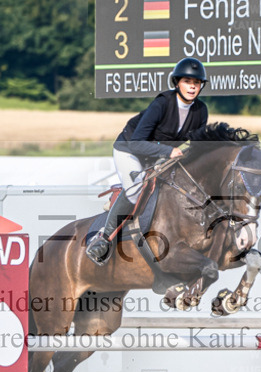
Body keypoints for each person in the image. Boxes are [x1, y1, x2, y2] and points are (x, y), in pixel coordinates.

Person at [85, 57, 210, 265]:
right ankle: (103, 239)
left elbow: (197, 145)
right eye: (188, 82)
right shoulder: (162, 103)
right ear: (177, 83)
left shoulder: (200, 110)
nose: (192, 87)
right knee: (135, 188)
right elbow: (136, 143)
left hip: (159, 156)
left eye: (196, 83)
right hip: (130, 150)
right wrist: (169, 151)